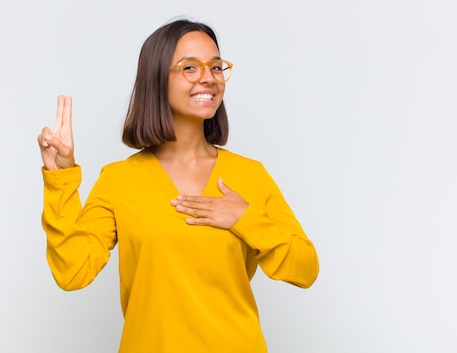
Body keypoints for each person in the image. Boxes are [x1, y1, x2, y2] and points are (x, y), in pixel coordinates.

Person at [37, 19, 319, 353]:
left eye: (216, 66)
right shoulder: (119, 180)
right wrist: (61, 178)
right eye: (189, 67)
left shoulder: (249, 175)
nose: (208, 77)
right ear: (157, 80)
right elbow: (73, 271)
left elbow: (306, 268)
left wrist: (246, 217)